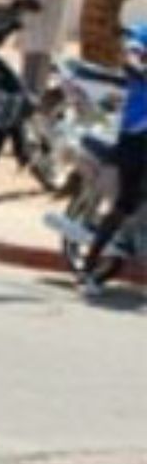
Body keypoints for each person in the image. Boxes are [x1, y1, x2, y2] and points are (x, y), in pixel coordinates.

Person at [77, 23, 147, 292]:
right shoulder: (142, 33)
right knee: (126, 202)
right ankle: (87, 270)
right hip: (135, 135)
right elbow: (131, 54)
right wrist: (138, 66)